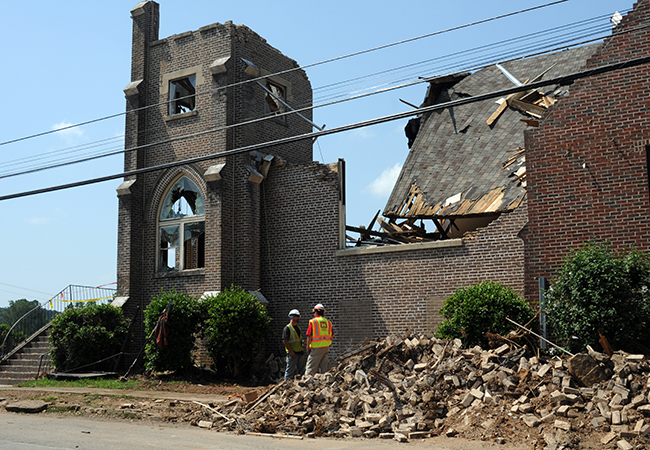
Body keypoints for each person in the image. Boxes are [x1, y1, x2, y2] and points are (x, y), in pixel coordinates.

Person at [305, 303, 333, 376]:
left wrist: (308, 347)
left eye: (314, 312)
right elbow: (332, 335)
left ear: (316, 312)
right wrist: (328, 344)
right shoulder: (328, 322)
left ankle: (306, 383)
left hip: (316, 348)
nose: (314, 313)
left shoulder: (313, 322)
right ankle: (324, 382)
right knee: (323, 367)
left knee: (310, 368)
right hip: (326, 347)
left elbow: (309, 336)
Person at [282, 309, 305, 381]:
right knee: (290, 370)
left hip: (300, 352)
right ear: (292, 317)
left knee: (302, 370)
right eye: (297, 317)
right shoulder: (287, 328)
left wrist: (305, 343)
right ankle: (286, 384)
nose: (298, 318)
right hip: (293, 353)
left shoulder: (298, 328)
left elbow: (299, 339)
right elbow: (285, 340)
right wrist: (291, 351)